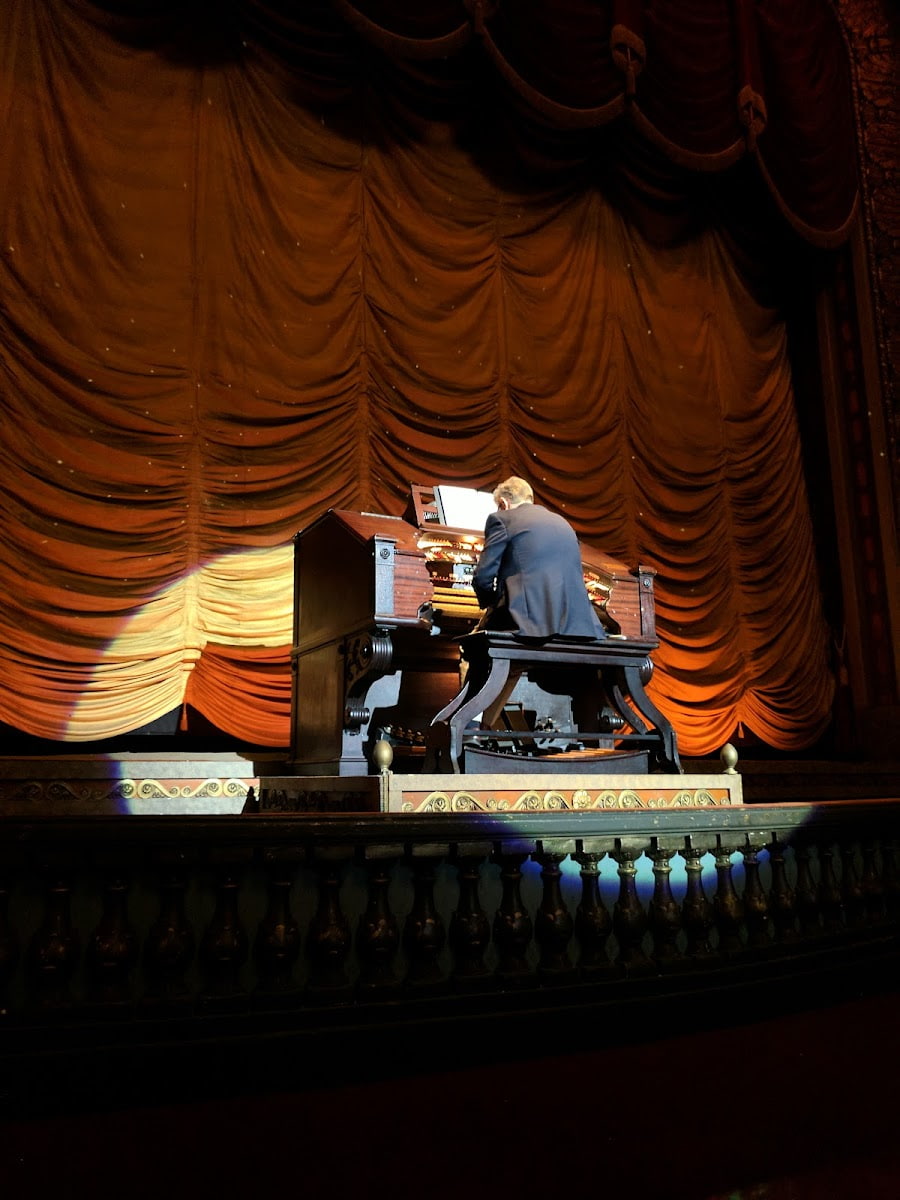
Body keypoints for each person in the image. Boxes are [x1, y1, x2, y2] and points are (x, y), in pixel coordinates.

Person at [471, 476, 606, 640]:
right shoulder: (563, 522)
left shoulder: (502, 519)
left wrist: (489, 604)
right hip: (578, 623)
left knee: (473, 642)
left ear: (503, 503)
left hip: (527, 623)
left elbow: (482, 577)